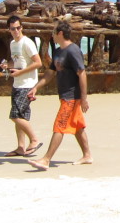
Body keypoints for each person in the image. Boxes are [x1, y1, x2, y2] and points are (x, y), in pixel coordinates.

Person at [28, 21, 91, 170]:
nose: (52, 35)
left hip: (71, 96)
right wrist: (36, 87)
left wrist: (83, 98)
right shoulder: (57, 52)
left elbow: (82, 73)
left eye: (54, 32)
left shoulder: (73, 50)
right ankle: (87, 155)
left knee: (59, 126)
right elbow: (50, 73)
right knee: (77, 127)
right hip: (64, 95)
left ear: (60, 33)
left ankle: (46, 159)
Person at [1, 15, 43, 157]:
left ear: (22, 28)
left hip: (27, 84)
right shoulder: (13, 44)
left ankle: (35, 140)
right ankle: (20, 147)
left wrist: (20, 73)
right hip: (17, 84)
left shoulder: (27, 43)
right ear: (9, 30)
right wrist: (8, 65)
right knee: (21, 117)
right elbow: (18, 62)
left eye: (18, 28)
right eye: (13, 29)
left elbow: (38, 63)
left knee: (15, 115)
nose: (16, 31)